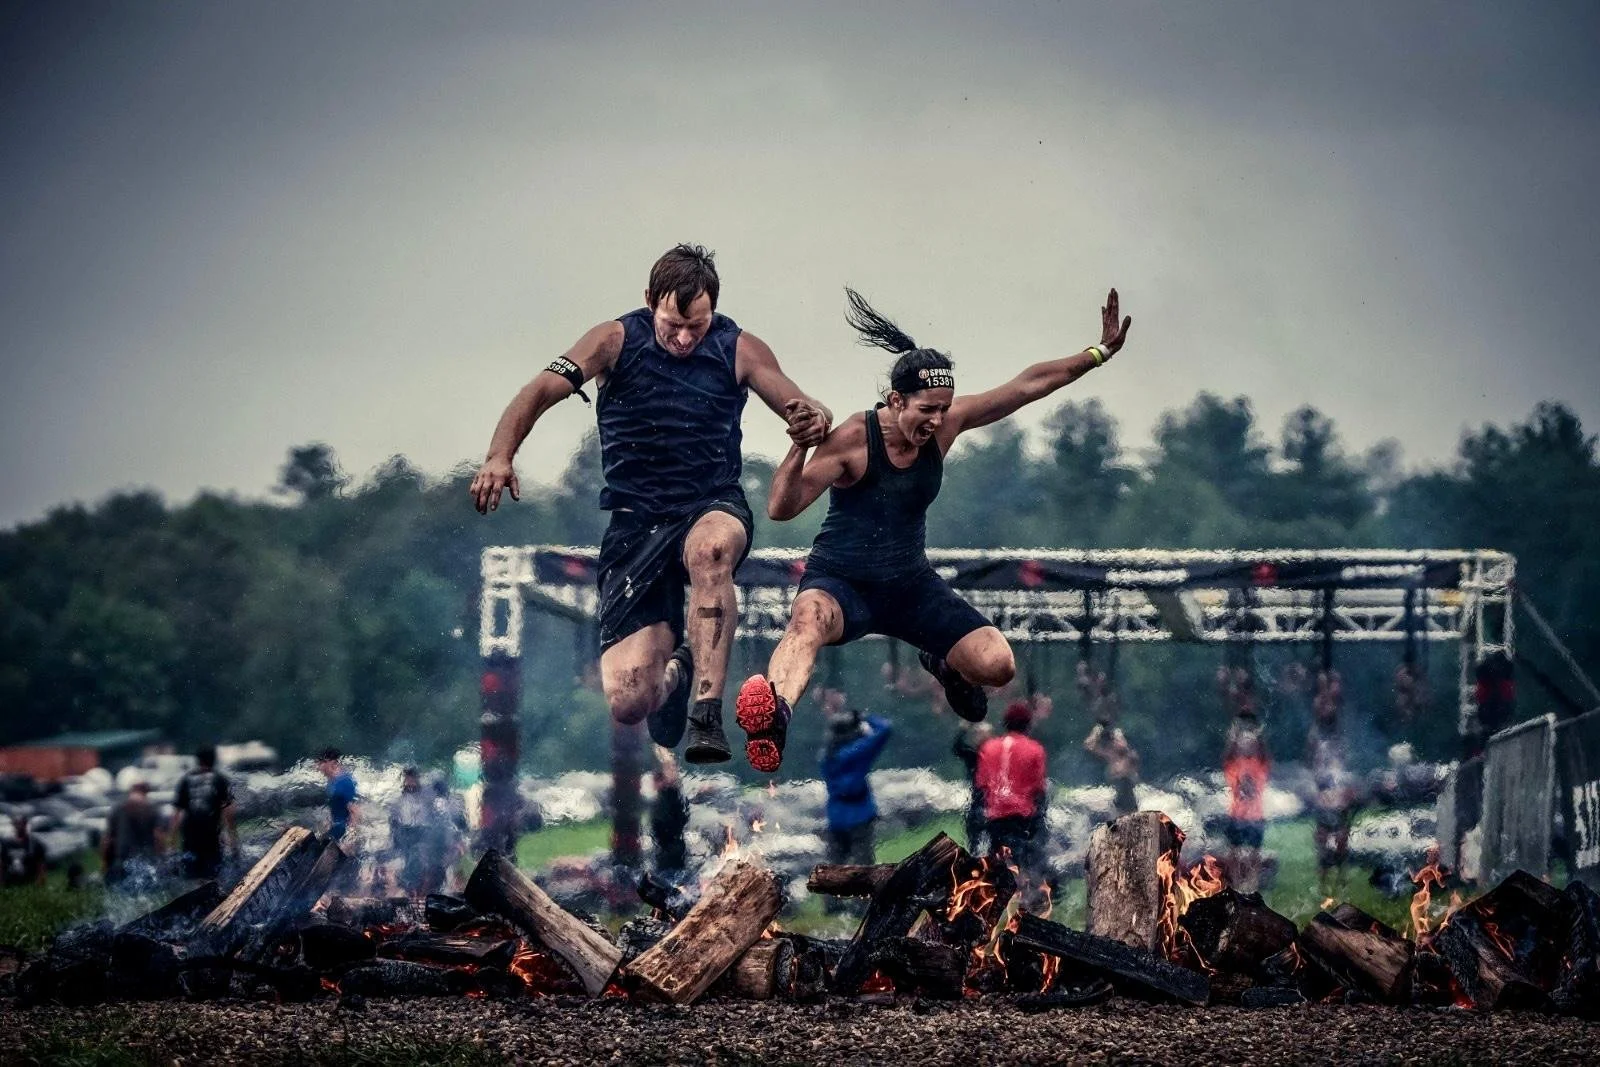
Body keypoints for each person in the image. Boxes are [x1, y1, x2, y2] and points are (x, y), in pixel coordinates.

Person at [734, 286, 1132, 770]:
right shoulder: (852, 441)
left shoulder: (945, 425)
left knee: (998, 665)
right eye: (927, 410)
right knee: (806, 622)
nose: (938, 420)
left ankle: (946, 664)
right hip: (842, 584)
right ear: (895, 400)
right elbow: (781, 507)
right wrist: (798, 447)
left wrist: (1098, 353)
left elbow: (1026, 386)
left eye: (943, 408)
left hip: (909, 587)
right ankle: (774, 719)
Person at [470, 244, 832, 764]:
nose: (685, 339)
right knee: (628, 703)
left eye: (697, 326)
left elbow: (801, 402)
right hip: (635, 523)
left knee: (711, 550)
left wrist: (813, 419)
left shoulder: (739, 348)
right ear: (649, 302)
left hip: (711, 503)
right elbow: (539, 390)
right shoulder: (612, 340)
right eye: (672, 326)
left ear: (714, 311)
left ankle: (706, 714)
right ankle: (679, 672)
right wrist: (500, 457)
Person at [820, 701, 893, 915]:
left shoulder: (827, 755)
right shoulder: (855, 752)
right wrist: (862, 717)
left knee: (835, 861)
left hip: (836, 814)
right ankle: (861, 905)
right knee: (862, 863)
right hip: (859, 813)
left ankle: (831, 904)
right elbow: (885, 729)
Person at [977, 701, 1049, 878]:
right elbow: (1039, 787)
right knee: (1026, 861)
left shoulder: (988, 747)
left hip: (995, 817)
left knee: (997, 864)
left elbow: (982, 783)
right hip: (1021, 817)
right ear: (1027, 724)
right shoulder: (1035, 749)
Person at [1222, 709, 1271, 893]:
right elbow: (1227, 753)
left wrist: (1258, 732)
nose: (1247, 746)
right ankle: (1235, 885)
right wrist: (1234, 733)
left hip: (1255, 816)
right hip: (1237, 815)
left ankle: (1252, 886)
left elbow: (1265, 751)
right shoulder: (1233, 766)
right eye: (1244, 743)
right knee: (1234, 854)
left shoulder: (1259, 766)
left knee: (1254, 855)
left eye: (1250, 743)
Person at [172, 745, 237, 880]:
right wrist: (232, 838)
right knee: (212, 872)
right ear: (213, 759)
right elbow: (228, 811)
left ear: (198, 760)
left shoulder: (186, 780)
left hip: (190, 833)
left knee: (192, 872)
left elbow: (177, 814)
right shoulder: (220, 779)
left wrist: (172, 841)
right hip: (211, 833)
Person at [103, 781, 164, 891]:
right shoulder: (152, 808)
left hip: (121, 860)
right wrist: (161, 858)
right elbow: (158, 836)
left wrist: (105, 863)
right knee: (146, 897)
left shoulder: (117, 808)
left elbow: (108, 839)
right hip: (146, 860)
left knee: (122, 899)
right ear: (146, 792)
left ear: (131, 791)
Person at [1083, 716, 1141, 819]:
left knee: (1127, 810)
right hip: (1118, 785)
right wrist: (1096, 731)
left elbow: (1123, 748)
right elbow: (1089, 745)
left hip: (1125, 783)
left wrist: (1117, 735)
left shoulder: (1123, 752)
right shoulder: (1110, 752)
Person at [953, 721, 994, 854]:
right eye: (977, 734)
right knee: (974, 834)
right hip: (977, 798)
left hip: (993, 800)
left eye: (982, 734)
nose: (979, 737)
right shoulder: (973, 755)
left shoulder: (995, 754)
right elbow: (957, 748)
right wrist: (963, 729)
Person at [648, 748, 690, 880]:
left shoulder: (669, 797)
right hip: (668, 862)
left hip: (673, 861)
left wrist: (665, 756)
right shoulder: (663, 801)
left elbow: (672, 777)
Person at [389, 767, 431, 896]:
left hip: (420, 832)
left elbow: (429, 817)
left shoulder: (425, 797)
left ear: (416, 779)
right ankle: (410, 890)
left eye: (411, 779)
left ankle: (417, 890)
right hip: (404, 832)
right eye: (407, 779)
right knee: (407, 859)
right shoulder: (400, 799)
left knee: (418, 861)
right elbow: (394, 818)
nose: (408, 782)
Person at [317, 748, 360, 845]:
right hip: (335, 825)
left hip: (343, 830)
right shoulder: (332, 780)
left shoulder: (344, 782)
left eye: (320, 763)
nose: (318, 767)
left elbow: (355, 811)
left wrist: (349, 839)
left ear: (330, 763)